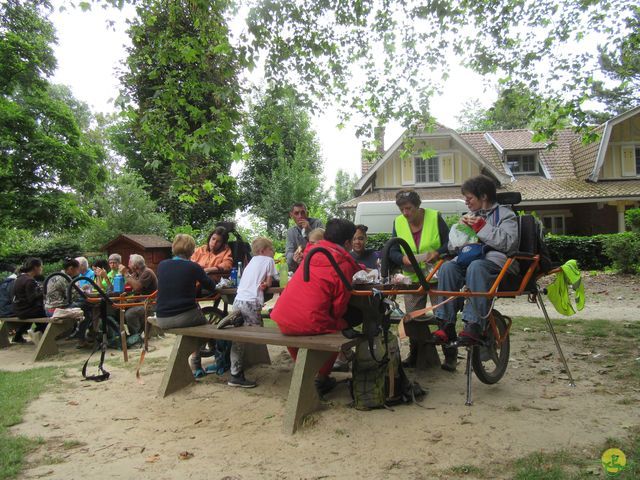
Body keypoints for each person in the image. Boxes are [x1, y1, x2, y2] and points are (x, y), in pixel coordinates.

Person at [271, 218, 362, 395]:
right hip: (308, 322)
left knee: (300, 323)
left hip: (282, 318)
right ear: (347, 242)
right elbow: (339, 306)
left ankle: (306, 370)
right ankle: (320, 377)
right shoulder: (342, 263)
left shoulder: (311, 253)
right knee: (349, 321)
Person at [433, 175, 519, 347]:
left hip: (496, 263)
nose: (466, 202)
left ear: (484, 196)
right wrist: (460, 230)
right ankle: (446, 325)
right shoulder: (470, 216)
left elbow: (510, 243)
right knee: (447, 268)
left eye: (469, 197)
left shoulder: (506, 215)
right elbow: (453, 248)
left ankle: (473, 326)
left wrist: (482, 228)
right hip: (469, 260)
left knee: (476, 266)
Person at [389, 189, 451, 368]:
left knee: (443, 316)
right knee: (413, 319)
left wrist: (437, 252)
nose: (405, 213)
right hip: (413, 278)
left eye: (408, 208)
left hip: (436, 275)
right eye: (402, 210)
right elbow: (392, 249)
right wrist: (402, 259)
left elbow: (449, 243)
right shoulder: (399, 222)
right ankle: (416, 354)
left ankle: (450, 355)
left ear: (418, 206)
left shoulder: (434, 217)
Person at [155, 234, 217, 378]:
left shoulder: (162, 265)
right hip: (184, 316)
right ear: (191, 250)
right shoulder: (193, 266)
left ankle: (197, 362)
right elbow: (212, 286)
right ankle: (204, 360)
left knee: (195, 325)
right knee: (207, 327)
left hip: (162, 318)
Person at [224, 237, 277, 388]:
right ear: (263, 251)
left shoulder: (251, 262)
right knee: (257, 333)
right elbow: (269, 282)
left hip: (238, 299)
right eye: (271, 248)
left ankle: (236, 371)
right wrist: (266, 284)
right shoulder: (268, 261)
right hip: (252, 302)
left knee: (238, 337)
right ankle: (237, 374)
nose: (273, 251)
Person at [118, 254, 158, 335]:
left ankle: (136, 336)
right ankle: (126, 334)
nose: (128, 266)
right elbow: (129, 288)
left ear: (135, 266)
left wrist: (126, 273)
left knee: (130, 314)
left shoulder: (147, 272)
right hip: (141, 301)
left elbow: (137, 288)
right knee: (118, 309)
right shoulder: (135, 274)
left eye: (129, 263)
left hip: (150, 304)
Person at [11, 258, 47, 343]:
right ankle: (36, 332)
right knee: (44, 314)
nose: (42, 269)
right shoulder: (29, 280)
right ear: (35, 267)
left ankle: (17, 337)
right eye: (41, 267)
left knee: (37, 313)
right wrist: (43, 292)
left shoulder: (19, 278)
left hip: (18, 310)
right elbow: (31, 299)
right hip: (26, 311)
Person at [285, 202, 324, 272]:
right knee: (290, 259)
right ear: (291, 215)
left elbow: (324, 245)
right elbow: (288, 252)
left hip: (317, 262)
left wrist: (309, 230)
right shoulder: (291, 232)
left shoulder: (317, 223)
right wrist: (294, 256)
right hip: (299, 266)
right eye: (296, 213)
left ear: (307, 213)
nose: (300, 216)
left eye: (302, 213)